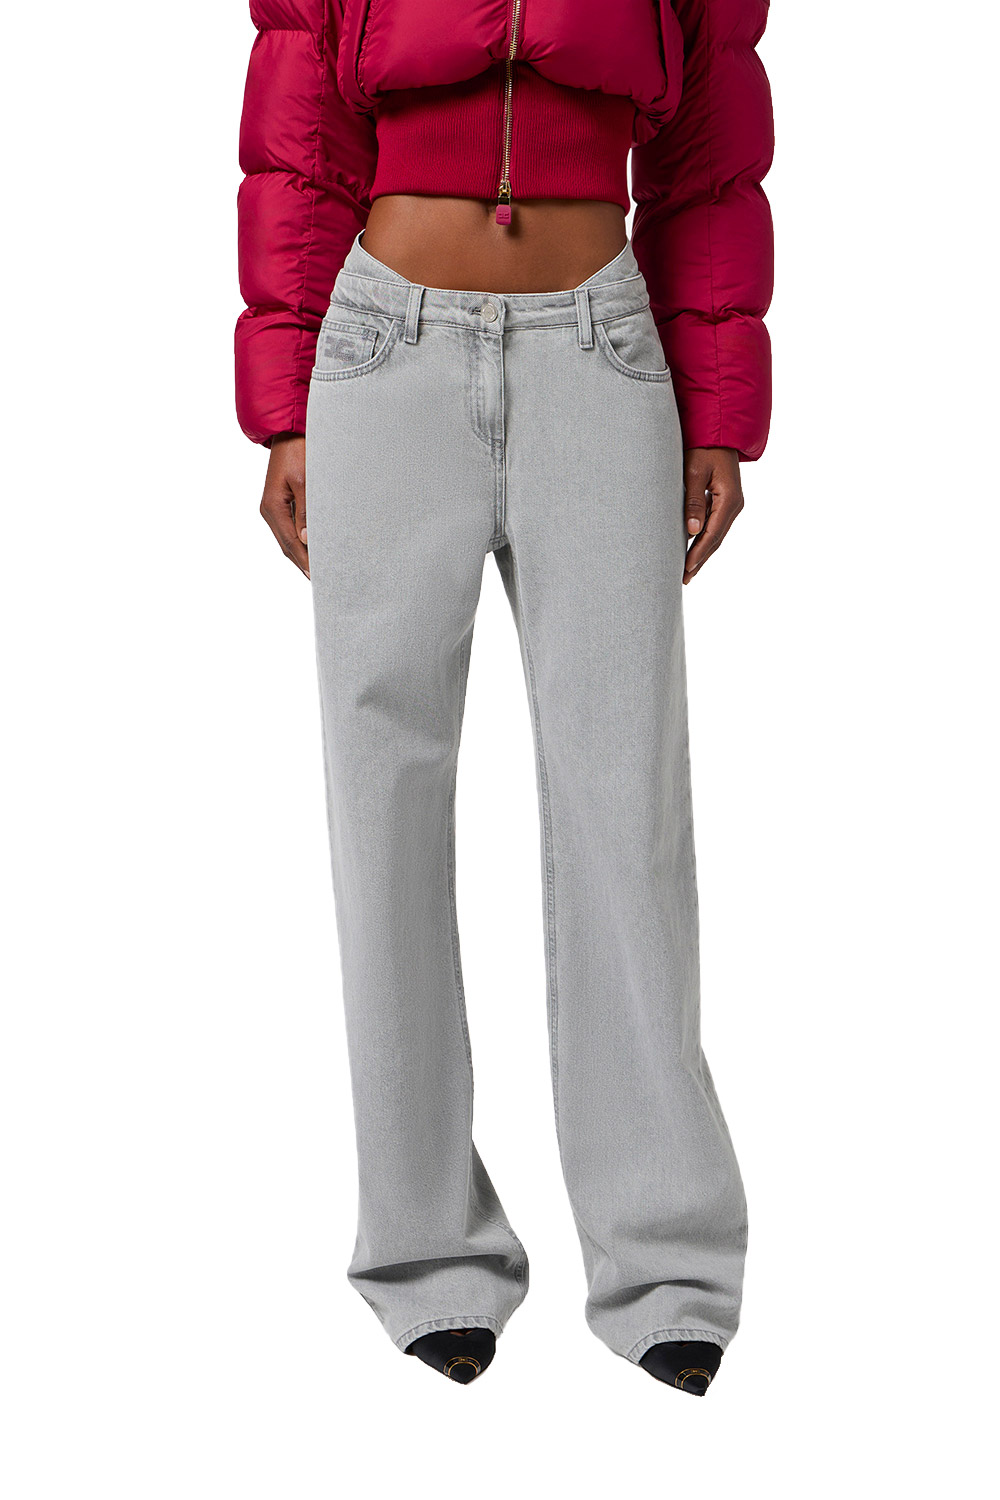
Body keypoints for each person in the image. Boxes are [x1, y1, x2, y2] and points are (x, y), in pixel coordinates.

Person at [235, 0, 773, 1393]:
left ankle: (666, 1264)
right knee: (383, 810)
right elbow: (298, 143)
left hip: (602, 354)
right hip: (382, 350)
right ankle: (427, 1258)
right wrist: (285, 407)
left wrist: (719, 409)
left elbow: (712, 153)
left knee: (624, 813)